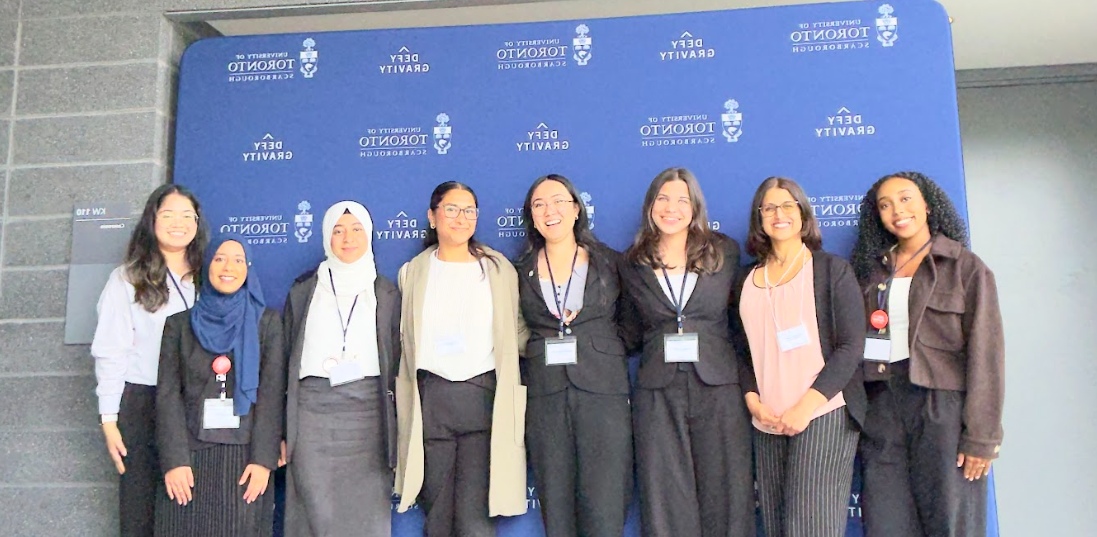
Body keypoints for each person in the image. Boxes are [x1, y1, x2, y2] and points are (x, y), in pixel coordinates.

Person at [851, 171, 1005, 536]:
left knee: (951, 523)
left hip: (943, 408)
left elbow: (987, 356)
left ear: (927, 205)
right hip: (883, 404)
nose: (897, 210)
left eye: (905, 199)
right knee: (886, 522)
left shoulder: (966, 267)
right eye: (885, 205)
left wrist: (981, 436)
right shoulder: (871, 272)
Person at [619, 167, 754, 537]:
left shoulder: (724, 250)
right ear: (650, 206)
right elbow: (629, 329)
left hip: (718, 383)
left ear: (695, 207)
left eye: (681, 199)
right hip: (657, 389)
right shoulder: (632, 262)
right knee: (664, 494)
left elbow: (738, 319)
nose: (671, 208)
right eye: (662, 199)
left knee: (727, 492)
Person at [394, 181, 529, 536]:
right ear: (432, 216)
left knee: (476, 518)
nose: (461, 218)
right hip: (433, 401)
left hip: (483, 400)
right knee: (436, 514)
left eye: (469, 210)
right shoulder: (413, 272)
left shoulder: (499, 270)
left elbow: (518, 333)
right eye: (452, 209)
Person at [733, 177, 865, 537]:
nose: (779, 214)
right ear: (759, 218)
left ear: (803, 214)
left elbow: (851, 346)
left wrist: (805, 408)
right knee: (776, 528)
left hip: (823, 413)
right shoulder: (744, 279)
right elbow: (741, 351)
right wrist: (753, 402)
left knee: (812, 528)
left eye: (788, 205)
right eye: (770, 207)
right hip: (768, 421)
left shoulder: (830, 270)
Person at [514, 174, 635, 537]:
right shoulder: (519, 270)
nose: (550, 211)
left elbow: (633, 323)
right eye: (539, 205)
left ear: (576, 209)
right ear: (532, 217)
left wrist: (599, 348)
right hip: (546, 395)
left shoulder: (611, 263)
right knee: (557, 501)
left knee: (606, 500)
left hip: (604, 393)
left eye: (558, 202)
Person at [91, 184, 206, 536]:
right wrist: (109, 419)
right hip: (144, 402)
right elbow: (112, 350)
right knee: (141, 509)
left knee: (194, 511)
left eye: (188, 215)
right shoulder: (128, 278)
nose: (179, 223)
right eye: (168, 214)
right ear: (151, 221)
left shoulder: (210, 276)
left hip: (197, 403)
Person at [281, 201, 400, 537]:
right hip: (311, 415)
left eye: (356, 229)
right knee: (312, 511)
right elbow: (285, 359)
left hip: (368, 418)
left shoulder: (387, 292)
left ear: (370, 234)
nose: (348, 238)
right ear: (326, 237)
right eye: (338, 230)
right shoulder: (303, 290)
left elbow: (398, 360)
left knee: (365, 515)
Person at [155, 234, 285, 536]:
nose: (229, 267)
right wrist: (174, 460)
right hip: (189, 459)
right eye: (220, 258)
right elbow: (168, 396)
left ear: (248, 269)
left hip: (244, 461)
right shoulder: (178, 325)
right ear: (206, 265)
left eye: (239, 260)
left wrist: (263, 461)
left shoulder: (266, 323)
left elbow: (271, 394)